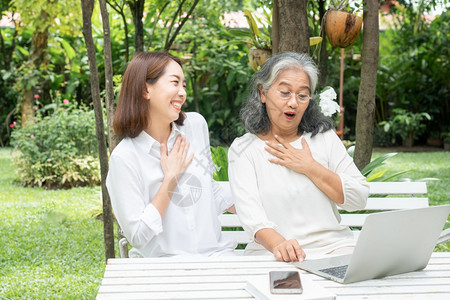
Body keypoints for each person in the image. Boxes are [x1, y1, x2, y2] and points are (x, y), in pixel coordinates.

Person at [228, 52, 369, 262]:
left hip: (334, 249)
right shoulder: (244, 149)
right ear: (263, 93)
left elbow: (358, 198)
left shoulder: (324, 139)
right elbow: (252, 217)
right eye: (285, 92)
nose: (293, 103)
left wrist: (309, 166)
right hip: (272, 255)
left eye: (302, 95)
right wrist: (279, 244)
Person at [106, 51, 236, 257]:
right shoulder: (124, 158)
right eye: (175, 82)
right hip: (165, 270)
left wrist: (258, 199)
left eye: (184, 85)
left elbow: (209, 189)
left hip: (217, 258)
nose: (183, 92)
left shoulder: (195, 126)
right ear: (145, 89)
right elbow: (137, 235)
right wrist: (170, 180)